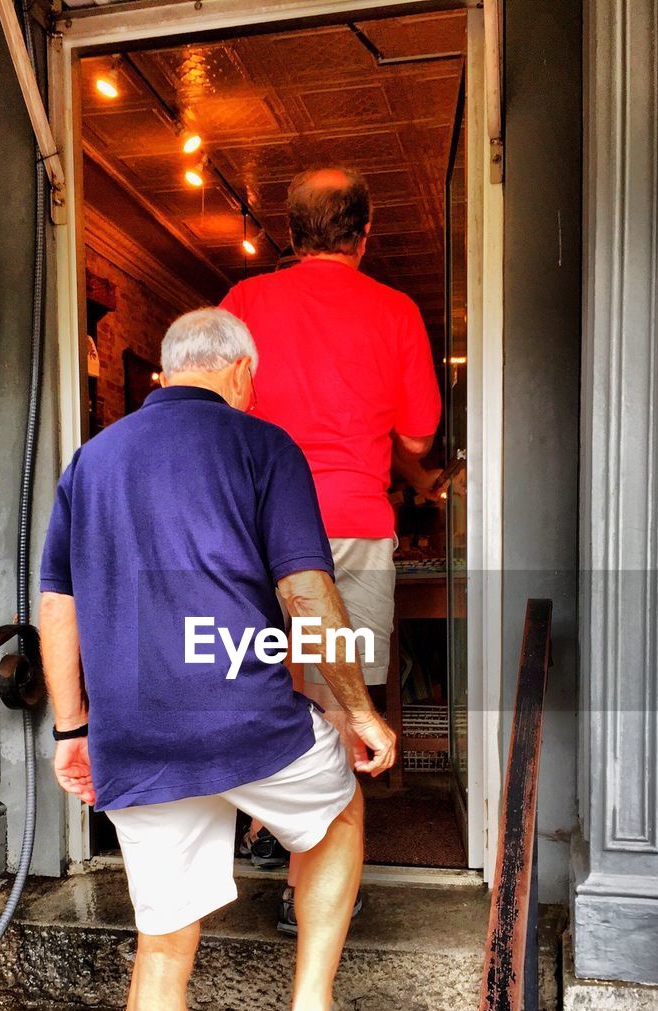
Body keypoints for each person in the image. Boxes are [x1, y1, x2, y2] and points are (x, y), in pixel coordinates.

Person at [38, 308, 397, 1011]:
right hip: (248, 720)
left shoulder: (92, 461)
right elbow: (307, 596)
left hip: (139, 738)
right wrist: (355, 711)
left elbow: (57, 610)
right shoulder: (260, 443)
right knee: (339, 810)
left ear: (164, 373)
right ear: (240, 372)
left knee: (164, 950)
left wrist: (74, 728)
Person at [221, 166, 443, 928]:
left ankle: (266, 827)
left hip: (253, 521)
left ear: (290, 233)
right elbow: (418, 436)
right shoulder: (396, 310)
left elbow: (212, 411)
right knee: (345, 699)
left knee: (269, 682)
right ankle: (312, 879)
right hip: (349, 518)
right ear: (365, 232)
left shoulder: (245, 303)